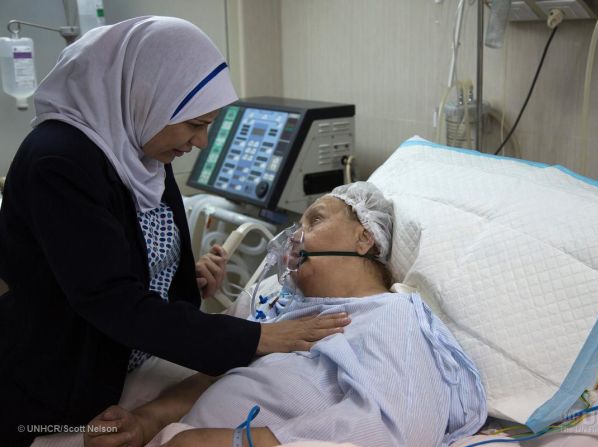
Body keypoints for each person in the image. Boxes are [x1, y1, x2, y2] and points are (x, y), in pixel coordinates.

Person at [0, 16, 349, 446]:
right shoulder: (59, 163)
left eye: (207, 126)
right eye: (194, 125)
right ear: (148, 97)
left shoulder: (142, 151)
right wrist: (258, 337)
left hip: (133, 362)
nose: (200, 143)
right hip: (54, 386)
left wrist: (182, 280)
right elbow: (109, 296)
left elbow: (130, 251)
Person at [84, 182, 487, 447]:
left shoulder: (388, 314)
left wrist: (237, 441)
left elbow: (398, 430)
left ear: (365, 237)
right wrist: (146, 422)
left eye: (315, 219)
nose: (295, 236)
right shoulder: (284, 311)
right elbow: (216, 374)